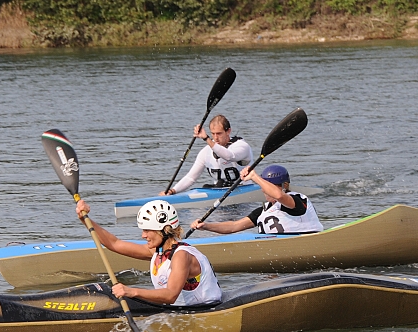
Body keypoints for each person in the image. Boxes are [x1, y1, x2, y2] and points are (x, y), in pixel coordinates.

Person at [75, 198, 222, 306]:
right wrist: (85, 219)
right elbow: (115, 243)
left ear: (164, 230)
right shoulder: (157, 252)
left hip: (205, 311)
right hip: (179, 311)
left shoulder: (182, 256)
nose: (143, 235)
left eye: (147, 230)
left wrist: (131, 291)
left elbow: (170, 295)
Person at [191, 164, 323, 235]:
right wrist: (207, 226)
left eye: (269, 185)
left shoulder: (298, 201)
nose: (264, 189)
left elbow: (280, 196)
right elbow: (233, 227)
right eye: (264, 185)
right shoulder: (262, 212)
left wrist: (254, 177)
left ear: (285, 186)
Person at [162, 115, 252, 194]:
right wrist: (173, 191)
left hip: (244, 191)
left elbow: (229, 156)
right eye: (213, 134)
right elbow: (191, 178)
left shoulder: (241, 146)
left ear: (228, 131)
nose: (216, 137)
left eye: (219, 133)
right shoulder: (205, 152)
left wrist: (206, 138)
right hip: (218, 193)